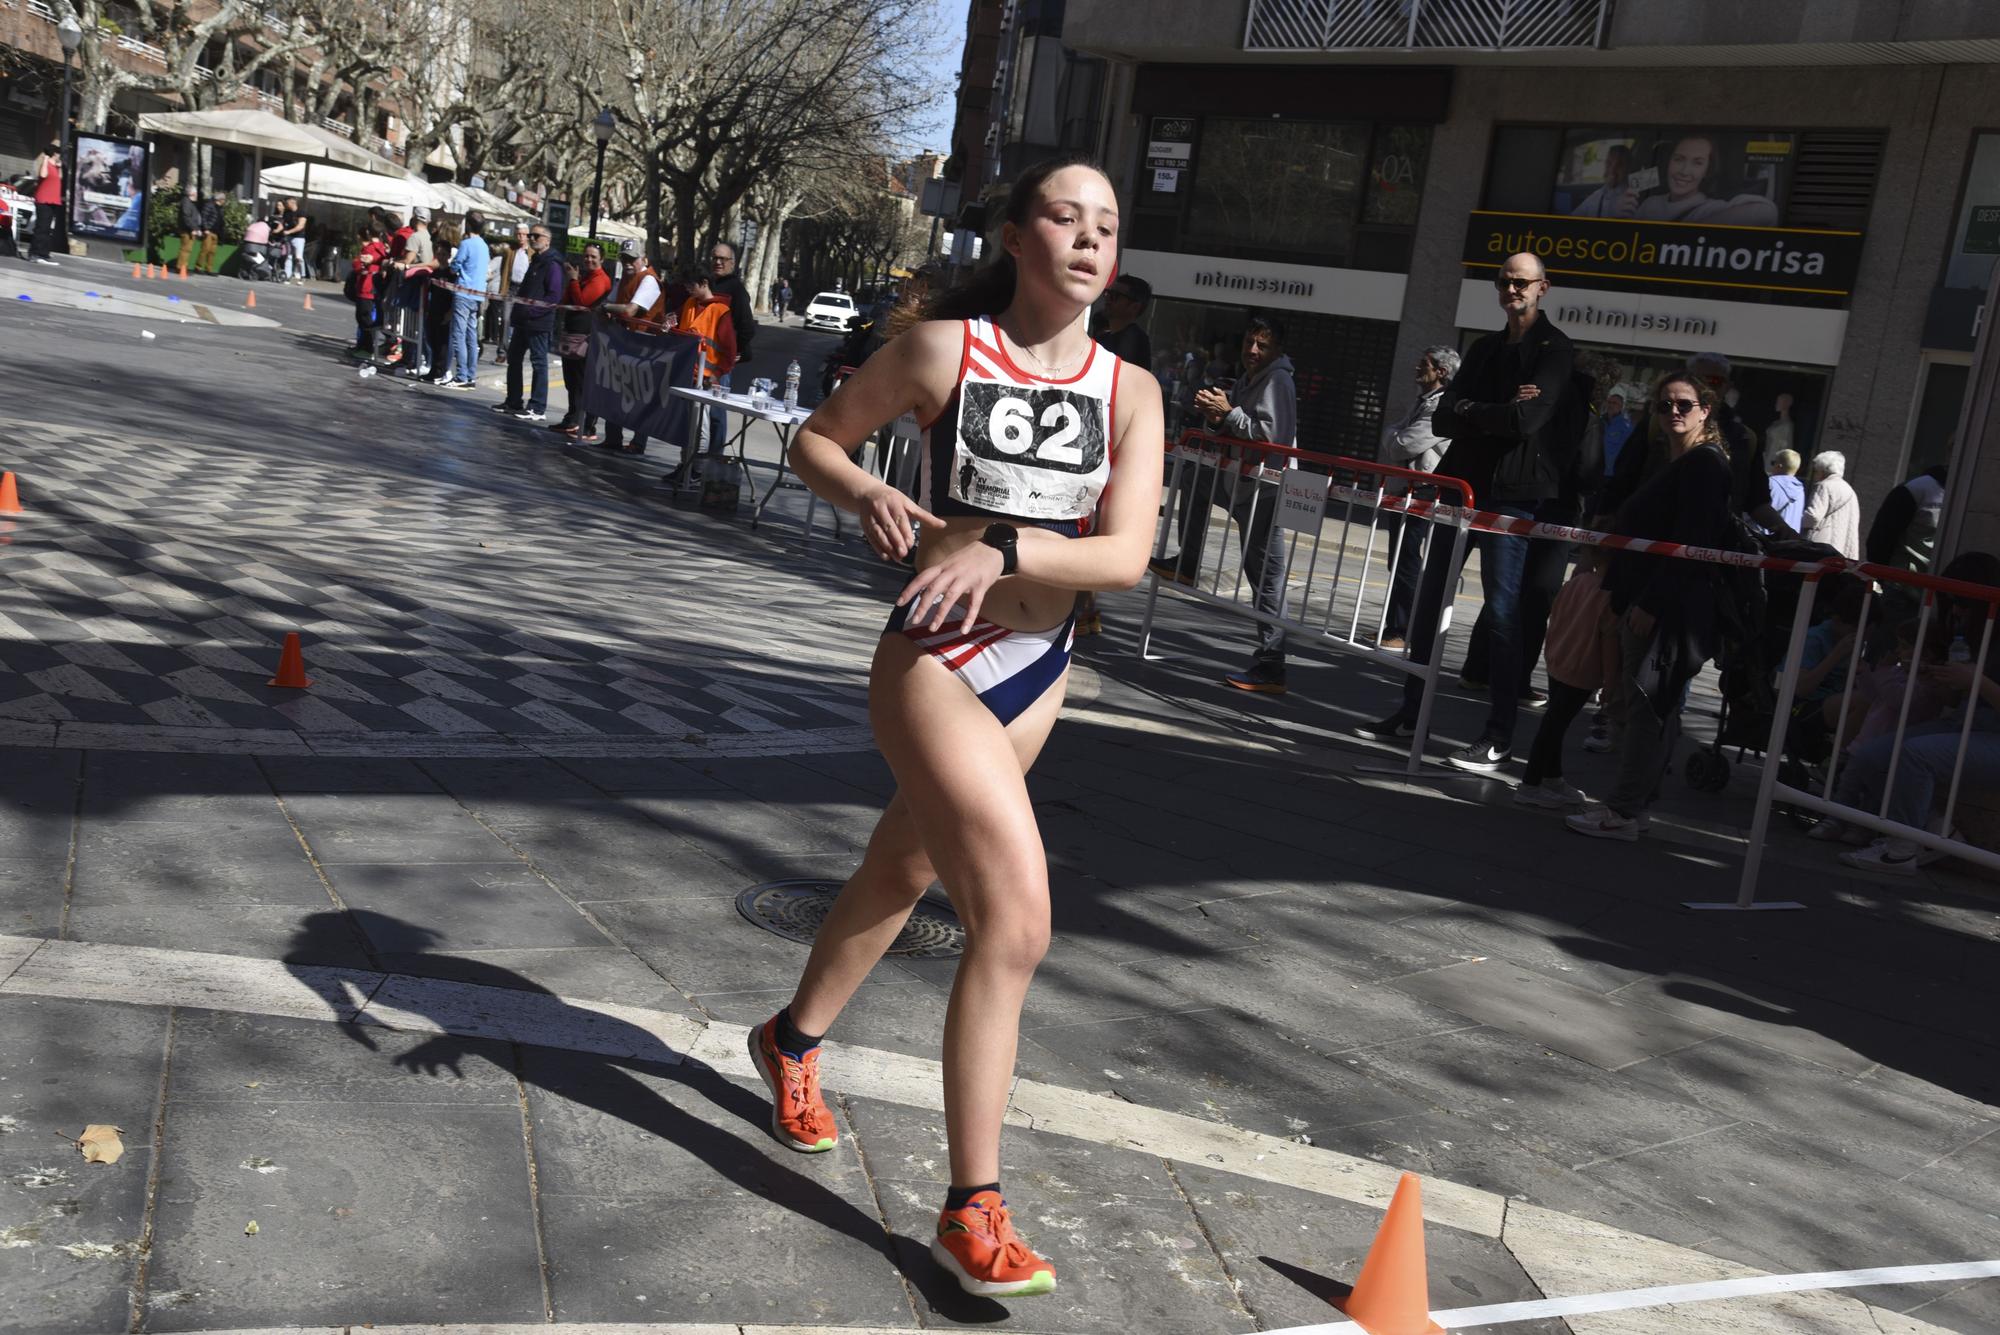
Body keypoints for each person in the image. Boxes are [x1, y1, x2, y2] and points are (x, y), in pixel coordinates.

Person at [765, 157, 1162, 1300]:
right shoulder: (946, 352)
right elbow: (816, 440)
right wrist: (866, 494)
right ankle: (971, 1207)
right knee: (1018, 924)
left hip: (1041, 664)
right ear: (1012, 234)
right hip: (934, 659)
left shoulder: (1128, 391)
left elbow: (1125, 556)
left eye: (1106, 225)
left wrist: (1008, 547)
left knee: (899, 870)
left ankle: (790, 1042)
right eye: (1062, 216)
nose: (1088, 240)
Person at [1355, 253, 1575, 770]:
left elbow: (1526, 421)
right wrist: (1489, 408)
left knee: (1501, 613)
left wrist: (1478, 408)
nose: (1511, 289)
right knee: (1430, 601)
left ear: (1543, 287)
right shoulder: (1485, 347)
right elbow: (1449, 415)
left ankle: (1498, 734)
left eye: (1521, 281)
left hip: (1513, 496)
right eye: (1504, 280)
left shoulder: (1555, 350)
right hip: (1464, 488)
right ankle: (1412, 710)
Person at [1566, 373, 1737, 840]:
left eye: (1684, 404)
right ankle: (1635, 808)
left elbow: (1693, 543)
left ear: (1706, 409)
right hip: (1651, 601)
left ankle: (1622, 812)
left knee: (1644, 709)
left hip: (1667, 609)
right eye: (1664, 406)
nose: (1673, 412)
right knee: (1652, 709)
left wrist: (1652, 604)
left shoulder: (1705, 465)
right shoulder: (1678, 461)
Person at [1817, 552, 2000, 874]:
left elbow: (1980, 692)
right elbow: (1958, 699)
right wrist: (1940, 681)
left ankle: (1901, 850)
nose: (1955, 611)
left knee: (1915, 754)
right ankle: (1935, 832)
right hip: (1967, 726)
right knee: (1871, 755)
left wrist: (1977, 681)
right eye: (1951, 602)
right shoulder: (1971, 633)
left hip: (1990, 735)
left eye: (1963, 603)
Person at [1515, 552, 1617, 809]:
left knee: (1555, 723)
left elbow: (1556, 619)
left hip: (1558, 660)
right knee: (1554, 726)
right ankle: (1530, 783)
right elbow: (1609, 643)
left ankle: (1552, 777)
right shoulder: (1610, 596)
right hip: (1583, 669)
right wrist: (1610, 683)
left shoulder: (1576, 583)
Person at [1374, 345, 1457, 649]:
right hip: (1405, 489)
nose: (1417, 368)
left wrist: (1393, 438)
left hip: (1423, 491)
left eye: (1425, 364)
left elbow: (1402, 445)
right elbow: (1396, 435)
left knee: (1407, 560)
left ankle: (1404, 629)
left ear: (1442, 372)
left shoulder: (1441, 406)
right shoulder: (1423, 402)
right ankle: (1393, 626)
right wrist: (1393, 437)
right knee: (1398, 560)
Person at [664, 263, 741, 487]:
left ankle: (696, 470)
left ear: (704, 284)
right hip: (689, 374)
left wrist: (717, 374)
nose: (687, 290)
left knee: (701, 428)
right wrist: (671, 323)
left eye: (691, 285)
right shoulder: (690, 303)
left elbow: (730, 351)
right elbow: (680, 326)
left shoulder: (720, 311)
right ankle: (686, 465)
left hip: (706, 379)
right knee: (690, 425)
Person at [1615, 134, 1780, 226]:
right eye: (1679, 159)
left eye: (1697, 163)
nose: (1684, 171)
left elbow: (1767, 212)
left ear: (1707, 171)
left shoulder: (1713, 208)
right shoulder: (1649, 204)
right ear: (1668, 162)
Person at [600, 239, 665, 454]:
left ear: (643, 259)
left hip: (645, 346)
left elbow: (629, 310)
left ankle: (638, 442)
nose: (627, 263)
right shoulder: (624, 280)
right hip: (624, 343)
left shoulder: (649, 280)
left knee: (640, 394)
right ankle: (613, 438)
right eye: (624, 258)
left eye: (632, 259)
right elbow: (613, 303)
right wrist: (608, 307)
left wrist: (607, 307)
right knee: (615, 390)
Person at [499, 223, 562, 422]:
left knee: (539, 362)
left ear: (547, 240)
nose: (532, 239)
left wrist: (533, 311)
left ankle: (537, 406)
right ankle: (513, 400)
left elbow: (554, 295)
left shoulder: (552, 264)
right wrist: (520, 312)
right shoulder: (535, 260)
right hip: (523, 320)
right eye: (531, 235)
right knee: (514, 358)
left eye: (537, 236)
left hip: (538, 322)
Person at [704, 239, 758, 456]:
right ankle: (690, 465)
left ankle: (713, 462)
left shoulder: (736, 290)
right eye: (715, 258)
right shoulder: (707, 284)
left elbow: (747, 328)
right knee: (698, 415)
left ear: (732, 263)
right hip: (700, 361)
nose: (718, 262)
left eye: (722, 259)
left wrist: (734, 352)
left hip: (720, 366)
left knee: (716, 413)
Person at [555, 242, 613, 439]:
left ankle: (584, 423)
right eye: (586, 256)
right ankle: (572, 417)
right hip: (571, 335)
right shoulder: (582, 277)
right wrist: (573, 281)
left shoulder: (600, 280)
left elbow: (581, 303)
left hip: (586, 337)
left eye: (593, 257)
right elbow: (565, 302)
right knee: (571, 380)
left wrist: (572, 281)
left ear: (602, 259)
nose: (589, 259)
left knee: (581, 381)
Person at [1866, 462, 1949, 573]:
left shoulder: (1914, 489)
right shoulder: (1918, 490)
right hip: (1907, 577)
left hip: (1903, 576)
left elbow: (1880, 538)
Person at [441, 211, 489, 391]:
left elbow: (455, 265)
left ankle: (461, 375)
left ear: (468, 225)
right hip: (477, 294)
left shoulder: (467, 244)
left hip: (463, 293)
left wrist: (454, 268)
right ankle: (470, 375)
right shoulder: (484, 246)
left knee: (458, 335)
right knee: (471, 335)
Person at [395, 207, 437, 375]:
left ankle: (410, 358)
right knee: (421, 325)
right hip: (427, 284)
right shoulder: (430, 238)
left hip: (414, 283)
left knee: (409, 324)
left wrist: (396, 263)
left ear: (415, 219)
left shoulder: (414, 237)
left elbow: (408, 260)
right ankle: (420, 358)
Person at [1800, 450, 1861, 559]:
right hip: (1841, 550)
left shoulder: (1824, 486)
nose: (1814, 474)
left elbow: (1813, 516)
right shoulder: (1850, 490)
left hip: (1821, 547)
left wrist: (1796, 520)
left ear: (1823, 470)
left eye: (1816, 470)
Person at [1091, 274, 1152, 369]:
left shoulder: (1135, 339)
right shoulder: (1102, 339)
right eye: (1108, 293)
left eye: (1115, 296)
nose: (1107, 299)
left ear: (1134, 307)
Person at [348, 222, 388, 358]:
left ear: (369, 234)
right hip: (375, 287)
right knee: (368, 318)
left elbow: (360, 265)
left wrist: (357, 263)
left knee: (363, 319)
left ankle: (366, 348)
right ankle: (365, 347)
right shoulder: (383, 249)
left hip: (366, 287)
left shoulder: (369, 248)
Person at [1568, 143, 1632, 219]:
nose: (1612, 170)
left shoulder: (1631, 198)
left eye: (1619, 164)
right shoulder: (1598, 194)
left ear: (1628, 168)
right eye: (1609, 163)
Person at [27, 139, 63, 265]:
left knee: (47, 229)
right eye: (58, 154)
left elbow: (60, 178)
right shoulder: (46, 164)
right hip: (43, 200)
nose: (59, 156)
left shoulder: (56, 166)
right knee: (41, 228)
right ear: (54, 154)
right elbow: (42, 175)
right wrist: (45, 159)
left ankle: (43, 253)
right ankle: (34, 253)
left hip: (53, 200)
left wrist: (59, 167)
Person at [1766, 449, 1805, 534]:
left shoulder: (1771, 483)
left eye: (1773, 463)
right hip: (1790, 540)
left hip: (1769, 540)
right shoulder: (1800, 489)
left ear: (1778, 466)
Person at [1599, 391, 1633, 477]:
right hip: (1594, 468)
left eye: (1614, 403)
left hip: (1611, 472)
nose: (1610, 405)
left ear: (1621, 406)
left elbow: (1628, 452)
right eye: (1609, 402)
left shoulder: (1625, 427)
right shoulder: (1599, 422)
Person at [176, 187, 204, 275]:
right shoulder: (186, 202)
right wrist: (193, 229)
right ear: (192, 194)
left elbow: (193, 218)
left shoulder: (190, 203)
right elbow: (186, 218)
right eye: (195, 193)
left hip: (190, 230)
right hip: (187, 230)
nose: (197, 195)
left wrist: (197, 229)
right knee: (185, 249)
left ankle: (183, 267)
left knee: (187, 250)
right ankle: (180, 267)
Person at [194, 192, 223, 275]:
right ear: (219, 199)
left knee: (212, 252)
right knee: (205, 250)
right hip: (209, 232)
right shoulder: (209, 205)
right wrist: (205, 228)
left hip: (216, 233)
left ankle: (209, 269)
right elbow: (204, 217)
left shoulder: (220, 208)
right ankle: (198, 267)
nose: (224, 201)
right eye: (223, 199)